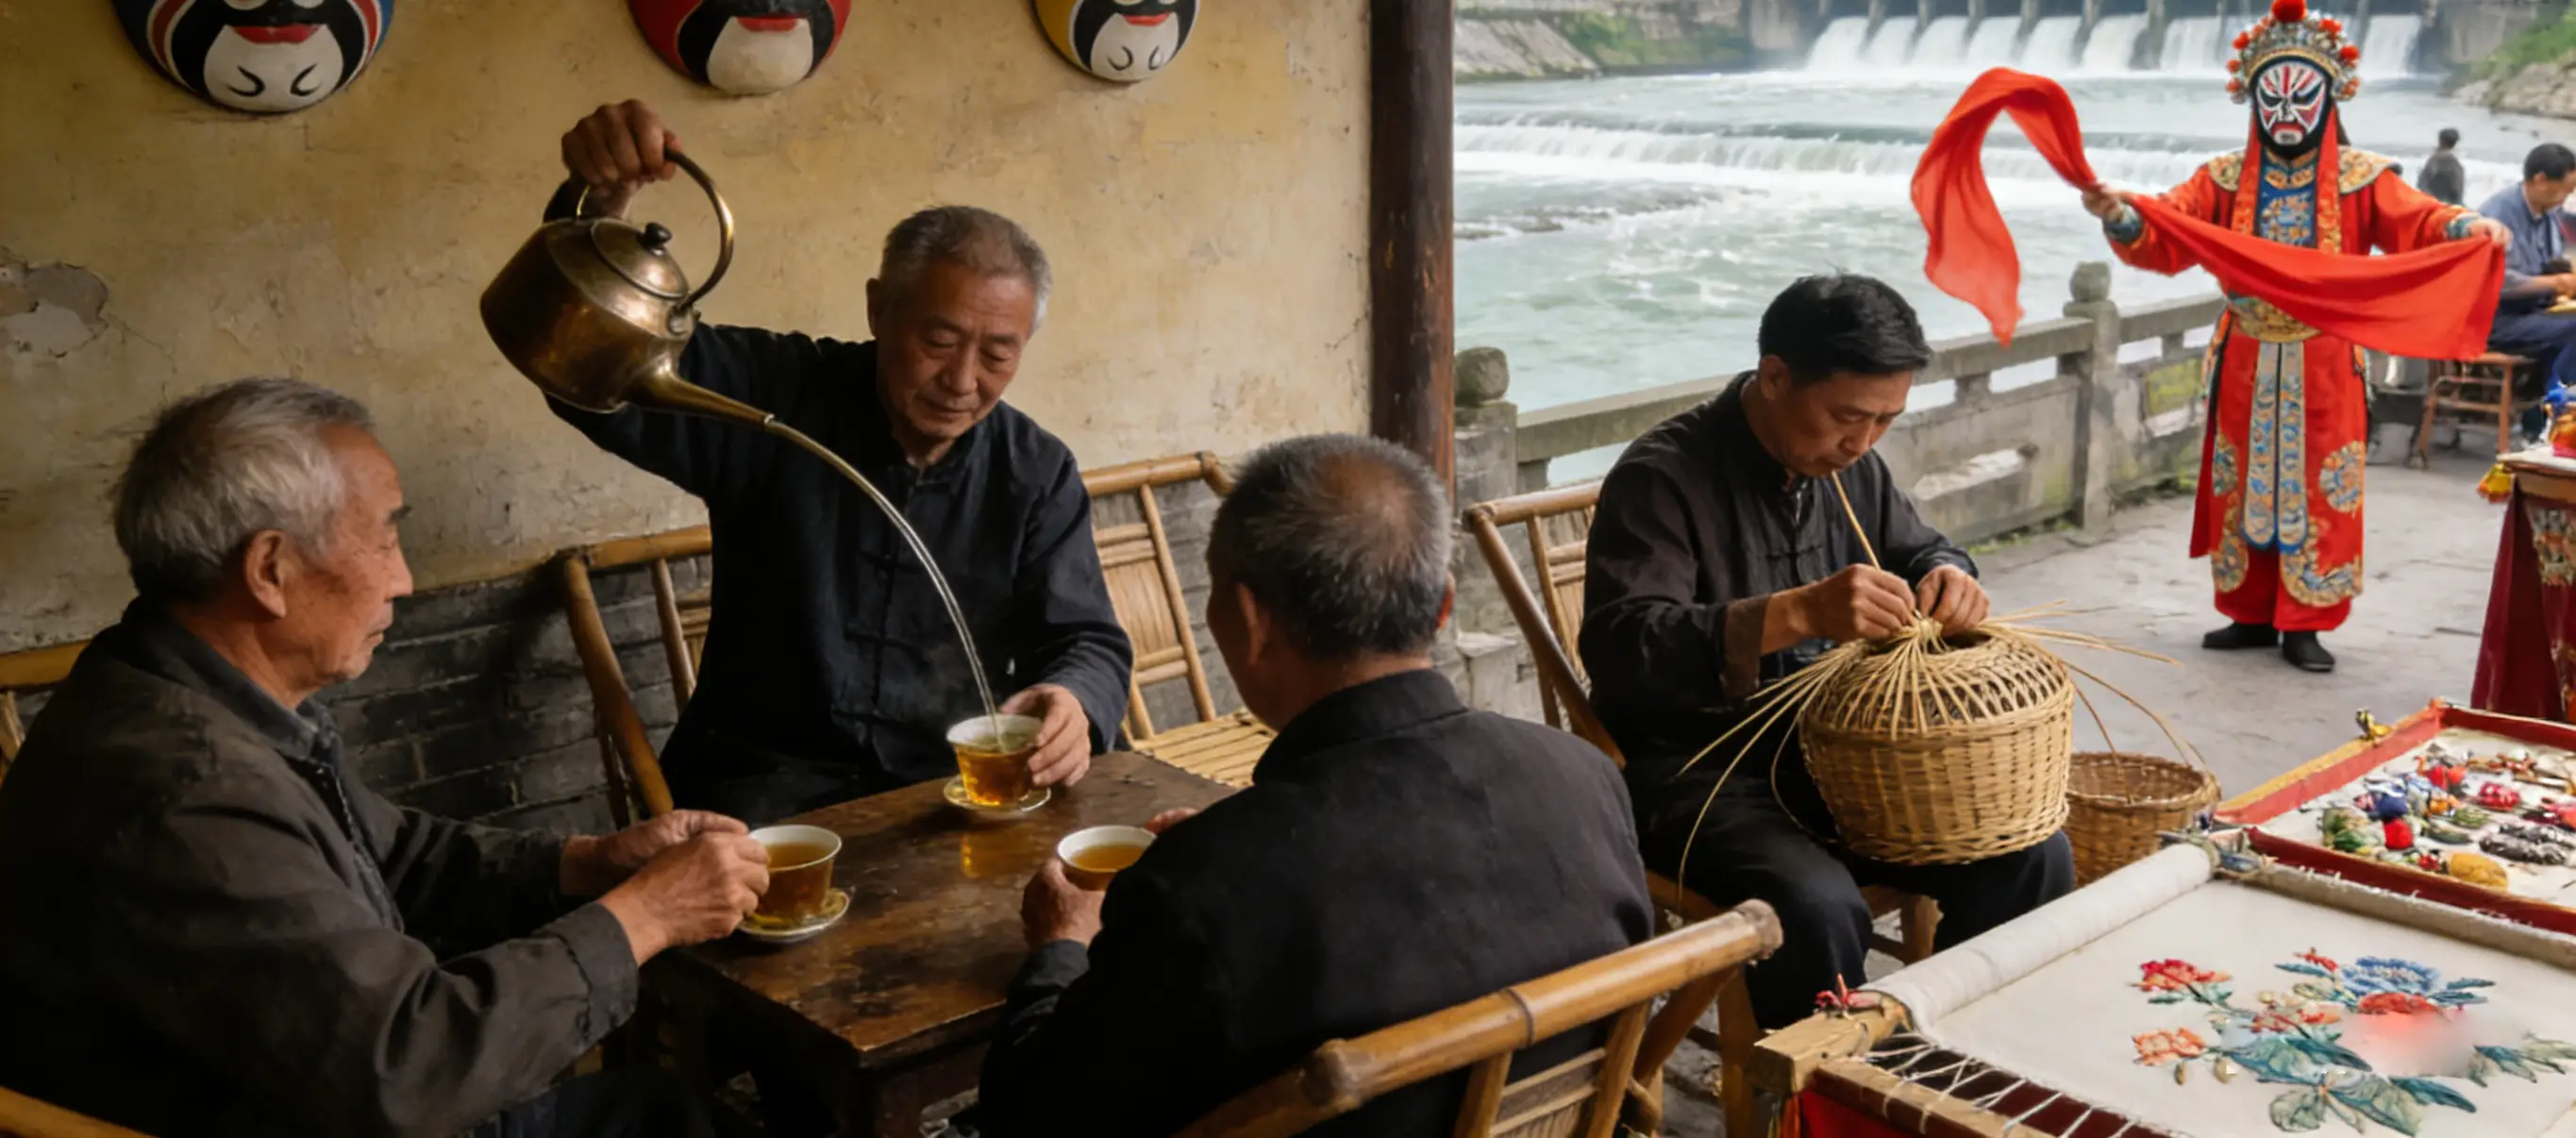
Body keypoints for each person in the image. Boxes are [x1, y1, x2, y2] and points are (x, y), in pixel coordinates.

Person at [0, 379, 769, 1138]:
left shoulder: (177, 685)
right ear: (271, 569)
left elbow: (395, 850)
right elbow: (408, 1068)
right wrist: (646, 914)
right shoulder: (184, 791)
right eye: (385, 537)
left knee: (660, 1111)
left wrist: (587, 863)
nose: (403, 578)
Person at [977, 435, 1654, 1136]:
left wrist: (1062, 945)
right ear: (1443, 605)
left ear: (1249, 619)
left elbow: (1029, 1118)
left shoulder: (1207, 885)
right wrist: (1215, 861)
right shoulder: (1587, 780)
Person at [544, 100, 1132, 825]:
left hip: (949, 794)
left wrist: (1076, 698)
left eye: (998, 354)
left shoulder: (1035, 471)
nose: (962, 380)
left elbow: (1086, 638)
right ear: (878, 309)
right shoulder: (773, 395)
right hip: (758, 794)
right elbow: (586, 365)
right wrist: (594, 204)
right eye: (940, 339)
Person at [1581, 274, 2070, 1033]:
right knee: (1816, 906)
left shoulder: (1853, 467)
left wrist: (1951, 577)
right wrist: (1795, 613)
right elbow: (1623, 649)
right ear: (1775, 377)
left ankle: (1959, 1062)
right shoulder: (1662, 477)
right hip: (1701, 772)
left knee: (2030, 854)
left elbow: (1922, 548)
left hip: (1840, 758)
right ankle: (1824, 1103)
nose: (1863, 441)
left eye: (1885, 420)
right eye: (1848, 416)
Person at [2081, 0, 2506, 673]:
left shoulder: (2362, 179)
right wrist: (2122, 216)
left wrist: (2466, 227)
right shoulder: (2220, 180)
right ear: (2252, 102)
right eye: (2269, 101)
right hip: (2246, 352)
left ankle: (2305, 621)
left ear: (2328, 102)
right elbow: (2168, 227)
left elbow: (2419, 221)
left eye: (2299, 99)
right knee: (2240, 481)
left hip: (2324, 356)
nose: (2284, 116)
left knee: (2321, 489)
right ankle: (2250, 613)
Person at [2479, 143, 2576, 391]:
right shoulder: (2498, 215)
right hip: (2496, 320)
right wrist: (2557, 283)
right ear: (2541, 180)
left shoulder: (2549, 213)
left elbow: (2552, 264)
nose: (2566, 199)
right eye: (2565, 191)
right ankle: (2549, 414)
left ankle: (2545, 402)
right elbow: (2499, 281)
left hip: (2532, 310)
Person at [2419, 128, 2467, 208]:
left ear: (2440, 140)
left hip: (2437, 204)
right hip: (2446, 205)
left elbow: (2422, 183)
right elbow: (2457, 188)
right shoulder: (2451, 159)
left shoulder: (2439, 158)